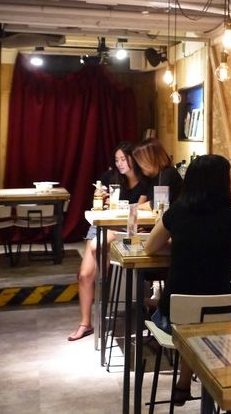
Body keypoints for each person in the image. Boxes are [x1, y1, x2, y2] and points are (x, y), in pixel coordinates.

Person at [144, 154, 231, 405]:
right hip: (223, 314)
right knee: (202, 324)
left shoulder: (177, 212)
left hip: (175, 317)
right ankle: (200, 383)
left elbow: (150, 247)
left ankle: (184, 383)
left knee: (192, 323)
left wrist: (182, 246)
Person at [69, 142, 149, 341]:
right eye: (117, 159)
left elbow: (135, 213)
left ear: (134, 159)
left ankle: (104, 286)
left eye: (124, 159)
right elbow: (99, 204)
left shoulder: (145, 182)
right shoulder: (109, 178)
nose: (120, 163)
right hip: (103, 225)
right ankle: (85, 323)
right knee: (84, 275)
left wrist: (118, 207)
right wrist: (100, 197)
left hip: (125, 229)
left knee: (98, 253)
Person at [132, 137, 183, 208]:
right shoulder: (149, 176)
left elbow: (159, 203)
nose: (139, 165)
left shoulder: (168, 173)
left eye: (141, 161)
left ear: (151, 159)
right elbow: (142, 199)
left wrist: (137, 207)